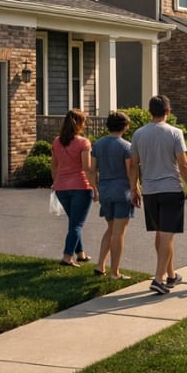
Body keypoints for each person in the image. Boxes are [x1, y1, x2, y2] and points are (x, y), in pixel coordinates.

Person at [130, 95, 187, 295]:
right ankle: (158, 279)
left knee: (161, 234)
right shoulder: (175, 133)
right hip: (170, 189)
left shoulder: (138, 134)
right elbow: (183, 164)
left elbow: (133, 164)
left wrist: (134, 188)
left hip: (149, 191)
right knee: (167, 235)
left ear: (149, 112)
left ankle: (171, 275)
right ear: (168, 111)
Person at [92, 111, 134, 280]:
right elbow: (130, 172)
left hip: (105, 191)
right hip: (121, 191)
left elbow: (91, 169)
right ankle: (114, 272)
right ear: (125, 126)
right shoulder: (126, 146)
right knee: (119, 233)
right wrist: (135, 190)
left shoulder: (98, 144)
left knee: (110, 229)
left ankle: (100, 264)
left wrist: (95, 187)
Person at [51, 108, 95, 267]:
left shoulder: (56, 142)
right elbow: (87, 168)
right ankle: (67, 257)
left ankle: (80, 254)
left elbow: (54, 167)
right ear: (79, 123)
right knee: (77, 224)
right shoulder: (83, 142)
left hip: (61, 187)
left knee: (74, 222)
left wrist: (55, 183)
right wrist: (95, 188)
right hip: (81, 187)